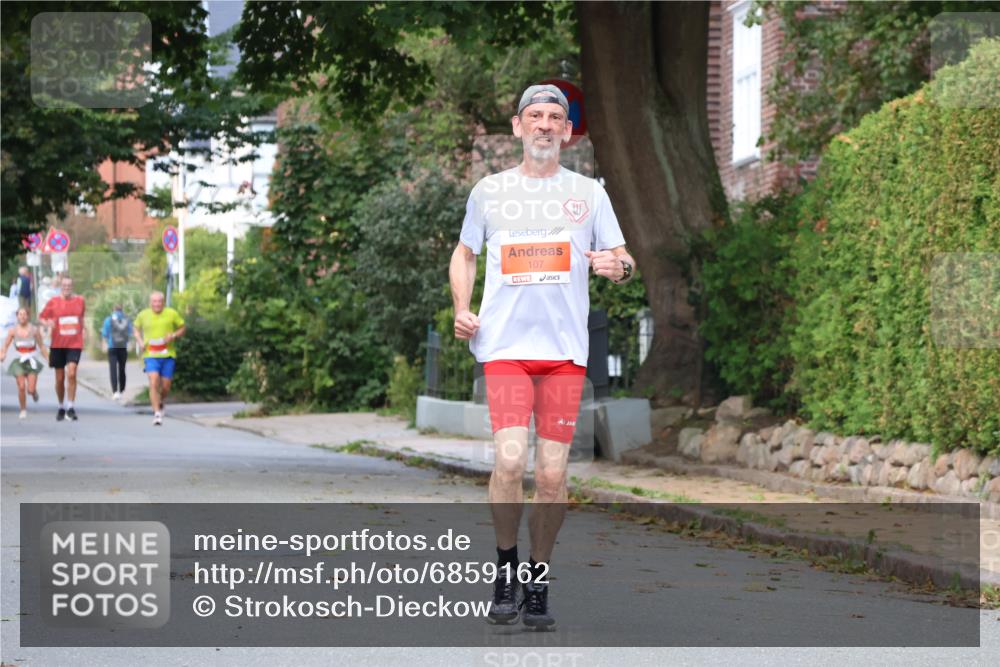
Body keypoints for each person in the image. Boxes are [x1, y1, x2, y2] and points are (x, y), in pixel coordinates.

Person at [450, 84, 636, 630]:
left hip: (563, 355)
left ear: (567, 131)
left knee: (552, 476)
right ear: (518, 126)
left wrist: (618, 268)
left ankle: (537, 581)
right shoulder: (490, 192)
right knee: (510, 462)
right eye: (535, 115)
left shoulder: (588, 194)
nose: (545, 125)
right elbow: (465, 253)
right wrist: (461, 307)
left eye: (556, 117)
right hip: (505, 349)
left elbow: (624, 260)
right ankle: (505, 569)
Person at [133, 291, 185, 426]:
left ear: (163, 302)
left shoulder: (171, 313)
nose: (157, 304)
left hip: (168, 355)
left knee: (166, 386)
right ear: (150, 303)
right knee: (154, 380)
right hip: (150, 355)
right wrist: (140, 341)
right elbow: (136, 329)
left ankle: (160, 401)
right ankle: (156, 413)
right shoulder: (143, 315)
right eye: (154, 301)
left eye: (159, 301)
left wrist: (173, 335)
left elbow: (182, 328)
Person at [38, 277, 86, 421]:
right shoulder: (53, 302)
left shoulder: (80, 301)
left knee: (72, 373)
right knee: (60, 378)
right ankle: (61, 406)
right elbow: (41, 317)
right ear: (61, 287)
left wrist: (84, 331)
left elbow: (81, 318)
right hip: (58, 344)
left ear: (73, 286)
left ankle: (70, 407)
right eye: (64, 285)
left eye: (69, 285)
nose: (66, 287)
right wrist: (47, 323)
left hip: (74, 344)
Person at [1, 307, 49, 419]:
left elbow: (41, 346)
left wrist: (48, 358)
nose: (22, 317)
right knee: (21, 386)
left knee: (30, 389)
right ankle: (23, 410)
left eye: (24, 314)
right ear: (17, 316)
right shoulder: (13, 331)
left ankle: (34, 393)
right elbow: (5, 346)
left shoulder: (34, 330)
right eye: (20, 314)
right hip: (19, 361)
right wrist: (2, 354)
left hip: (31, 361)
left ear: (28, 316)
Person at [101, 304, 133, 400]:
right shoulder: (126, 319)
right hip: (123, 347)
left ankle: (115, 391)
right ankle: (122, 389)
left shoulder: (108, 319)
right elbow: (130, 333)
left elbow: (105, 334)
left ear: (113, 309)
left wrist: (105, 344)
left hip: (112, 347)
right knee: (122, 369)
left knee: (113, 369)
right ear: (122, 310)